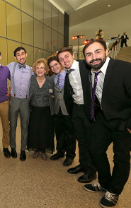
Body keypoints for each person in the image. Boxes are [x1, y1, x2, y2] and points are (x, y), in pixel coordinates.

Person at [82, 40, 131, 208]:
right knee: (95, 149)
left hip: (127, 121)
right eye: (89, 54)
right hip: (105, 119)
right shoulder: (91, 72)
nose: (94, 57)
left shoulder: (127, 70)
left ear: (107, 51)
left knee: (120, 157)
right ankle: (104, 182)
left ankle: (114, 191)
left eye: (97, 52)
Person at [59, 47, 97, 182]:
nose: (65, 61)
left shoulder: (85, 65)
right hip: (76, 110)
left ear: (73, 55)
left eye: (67, 57)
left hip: (88, 109)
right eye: (61, 59)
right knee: (81, 140)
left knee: (90, 141)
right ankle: (83, 164)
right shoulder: (67, 73)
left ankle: (91, 171)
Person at [47, 56, 76, 164]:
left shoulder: (70, 75)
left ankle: (70, 155)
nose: (54, 68)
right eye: (51, 67)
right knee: (59, 133)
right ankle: (60, 152)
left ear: (60, 63)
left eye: (55, 64)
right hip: (57, 110)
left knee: (70, 134)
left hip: (68, 110)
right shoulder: (52, 78)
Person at [7, 47, 33, 161]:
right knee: (12, 126)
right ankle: (13, 147)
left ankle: (23, 150)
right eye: (18, 54)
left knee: (24, 126)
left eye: (22, 54)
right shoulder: (10, 66)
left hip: (25, 102)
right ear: (15, 57)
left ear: (26, 55)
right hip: (14, 100)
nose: (21, 56)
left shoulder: (31, 70)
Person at [27, 58, 54, 160]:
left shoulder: (50, 81)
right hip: (34, 110)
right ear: (35, 69)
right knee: (35, 130)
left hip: (46, 110)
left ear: (45, 69)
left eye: (42, 67)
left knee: (45, 131)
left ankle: (43, 150)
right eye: (37, 68)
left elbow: (52, 94)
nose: (39, 70)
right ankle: (37, 149)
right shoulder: (31, 80)